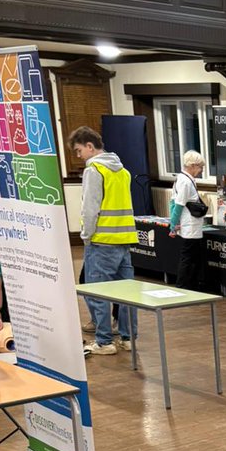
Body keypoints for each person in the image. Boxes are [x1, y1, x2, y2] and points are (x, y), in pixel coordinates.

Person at [69, 126, 137, 356]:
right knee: (127, 295)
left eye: (79, 150)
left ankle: (104, 342)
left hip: (101, 242)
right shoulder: (123, 171)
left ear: (90, 146)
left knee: (97, 293)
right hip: (124, 241)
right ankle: (128, 339)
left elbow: (90, 208)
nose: (79, 156)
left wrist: (86, 236)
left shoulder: (94, 170)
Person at [169, 150, 208, 291]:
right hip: (190, 226)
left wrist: (174, 223)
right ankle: (183, 286)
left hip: (190, 225)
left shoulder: (180, 179)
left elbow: (172, 203)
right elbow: (178, 205)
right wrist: (173, 225)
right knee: (188, 258)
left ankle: (189, 285)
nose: (201, 170)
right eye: (200, 167)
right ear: (192, 165)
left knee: (191, 257)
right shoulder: (186, 182)